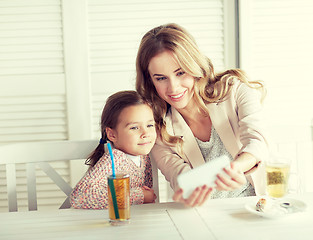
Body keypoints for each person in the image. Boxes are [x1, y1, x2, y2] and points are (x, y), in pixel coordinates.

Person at [136, 23, 268, 207]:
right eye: (161, 78)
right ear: (150, 81)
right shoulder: (158, 129)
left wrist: (235, 168)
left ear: (195, 66)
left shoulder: (235, 90)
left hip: (262, 205)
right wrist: (189, 188)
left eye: (180, 73)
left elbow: (257, 141)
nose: (173, 88)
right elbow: (179, 177)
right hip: (208, 216)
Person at [70, 91, 157, 209]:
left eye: (150, 125)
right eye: (134, 127)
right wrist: (139, 195)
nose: (145, 133)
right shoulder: (113, 160)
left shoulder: (143, 155)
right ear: (112, 135)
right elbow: (79, 197)